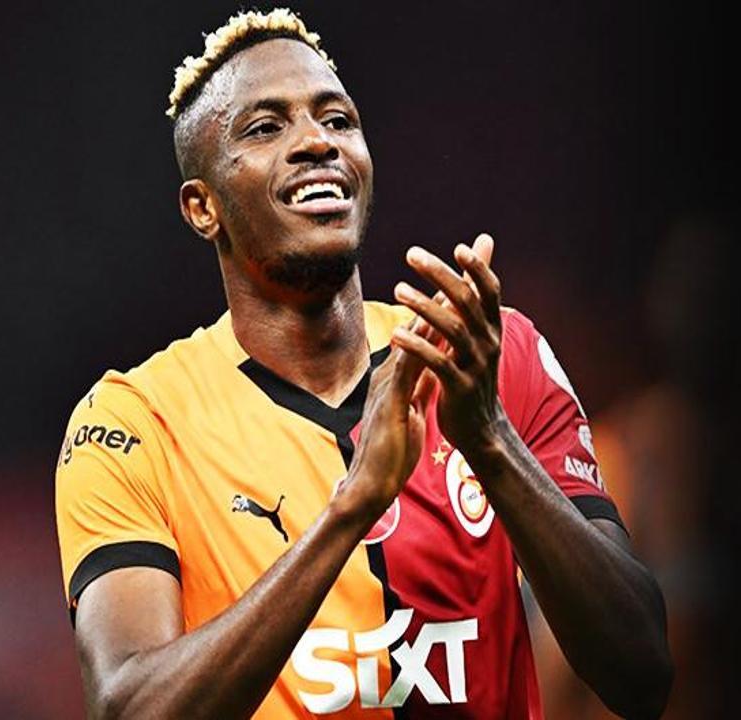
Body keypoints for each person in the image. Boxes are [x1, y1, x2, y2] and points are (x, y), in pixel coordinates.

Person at [53, 8, 672, 719]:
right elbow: (128, 708)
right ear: (203, 207)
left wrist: (490, 441)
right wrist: (350, 509)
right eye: (265, 128)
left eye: (338, 120)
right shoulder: (135, 423)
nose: (317, 141)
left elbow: (643, 675)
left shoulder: (487, 356)